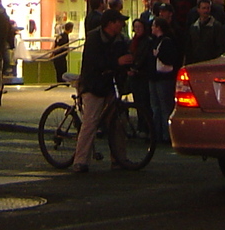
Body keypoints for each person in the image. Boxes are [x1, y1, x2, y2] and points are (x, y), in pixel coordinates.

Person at [72, 10, 133, 173]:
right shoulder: (94, 38)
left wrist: (127, 68)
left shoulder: (120, 40)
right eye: (119, 21)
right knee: (90, 121)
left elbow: (123, 58)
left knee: (118, 122)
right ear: (110, 24)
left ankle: (119, 159)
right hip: (93, 84)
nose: (122, 24)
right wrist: (116, 62)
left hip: (110, 85)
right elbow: (95, 62)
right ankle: (80, 160)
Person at [144, 16, 181, 145]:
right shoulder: (154, 41)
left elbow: (171, 58)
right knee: (157, 106)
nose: (152, 28)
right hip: (155, 77)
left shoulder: (166, 42)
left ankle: (165, 134)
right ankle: (159, 134)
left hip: (162, 78)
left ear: (158, 27)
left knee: (163, 107)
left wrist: (157, 54)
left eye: (154, 26)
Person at [185, 0, 225, 65]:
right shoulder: (193, 27)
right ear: (198, 10)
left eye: (208, 8)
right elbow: (190, 47)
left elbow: (221, 46)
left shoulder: (216, 26)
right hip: (197, 62)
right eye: (203, 8)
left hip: (212, 62)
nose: (206, 11)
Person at [48, 21, 74, 89]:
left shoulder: (60, 35)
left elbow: (55, 44)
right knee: (62, 71)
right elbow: (58, 47)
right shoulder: (64, 37)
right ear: (70, 29)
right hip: (60, 57)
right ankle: (62, 83)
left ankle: (61, 83)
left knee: (59, 71)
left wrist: (52, 53)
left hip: (57, 56)